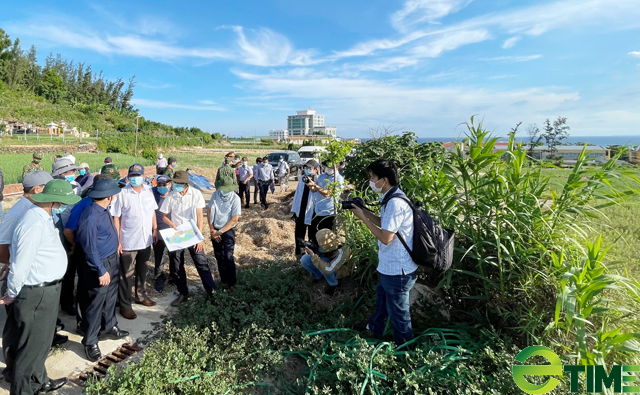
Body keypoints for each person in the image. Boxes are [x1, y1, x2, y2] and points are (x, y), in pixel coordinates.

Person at [0, 179, 81, 394]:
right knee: (31, 349)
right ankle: (24, 390)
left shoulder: (43, 217)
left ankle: (38, 381)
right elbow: (21, 263)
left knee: (41, 344)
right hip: (37, 293)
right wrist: (13, 292)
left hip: (46, 290)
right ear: (54, 200)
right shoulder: (33, 223)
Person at [348, 159, 417, 346]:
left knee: (399, 313)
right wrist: (363, 210)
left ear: (383, 180)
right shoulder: (390, 197)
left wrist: (363, 218)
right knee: (382, 297)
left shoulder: (395, 203)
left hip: (398, 270)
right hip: (390, 267)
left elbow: (386, 237)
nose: (371, 181)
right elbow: (384, 223)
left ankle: (406, 348)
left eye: (372, 177)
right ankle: (375, 328)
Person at [76, 178, 129, 362]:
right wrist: (100, 270)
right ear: (108, 197)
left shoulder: (103, 210)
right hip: (100, 265)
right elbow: (89, 248)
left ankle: (109, 327)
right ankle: (90, 341)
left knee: (110, 297)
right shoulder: (91, 216)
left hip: (112, 260)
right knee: (96, 303)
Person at [63, 174, 113, 335]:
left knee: (107, 295)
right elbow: (70, 231)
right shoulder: (87, 210)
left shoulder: (103, 209)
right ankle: (86, 330)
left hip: (107, 256)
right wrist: (75, 245)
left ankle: (108, 325)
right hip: (90, 255)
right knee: (89, 294)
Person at [160, 171, 216, 306]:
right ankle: (183, 293)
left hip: (192, 232)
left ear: (185, 184)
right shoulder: (171, 196)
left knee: (201, 262)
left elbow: (199, 217)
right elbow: (164, 216)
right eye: (174, 183)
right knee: (177, 264)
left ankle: (212, 293)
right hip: (177, 234)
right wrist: (171, 224)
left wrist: (200, 237)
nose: (175, 186)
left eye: (178, 183)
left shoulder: (195, 194)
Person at [112, 164, 158, 320]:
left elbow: (152, 211)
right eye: (132, 176)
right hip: (128, 241)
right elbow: (116, 217)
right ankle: (125, 305)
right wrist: (118, 240)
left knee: (142, 270)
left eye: (138, 175)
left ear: (143, 176)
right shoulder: (122, 193)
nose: (135, 178)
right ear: (128, 177)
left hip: (145, 239)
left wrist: (155, 229)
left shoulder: (148, 190)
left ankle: (140, 295)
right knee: (126, 275)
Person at [207, 176, 241, 288]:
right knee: (218, 256)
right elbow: (210, 211)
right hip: (215, 228)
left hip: (228, 229)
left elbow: (234, 219)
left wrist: (220, 232)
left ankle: (232, 283)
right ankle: (223, 280)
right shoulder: (215, 195)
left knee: (228, 256)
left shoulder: (235, 199)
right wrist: (212, 229)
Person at [300, 229, 352, 295]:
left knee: (323, 263)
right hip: (329, 259)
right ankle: (318, 276)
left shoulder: (344, 251)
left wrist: (313, 256)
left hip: (340, 268)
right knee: (305, 259)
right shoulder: (329, 242)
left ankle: (334, 284)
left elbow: (329, 269)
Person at [307, 161, 344, 244]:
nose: (327, 169)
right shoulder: (322, 176)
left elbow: (327, 193)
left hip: (329, 213)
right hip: (317, 211)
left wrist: (316, 186)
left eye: (330, 167)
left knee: (326, 239)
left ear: (336, 167)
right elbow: (314, 190)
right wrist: (310, 185)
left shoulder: (338, 179)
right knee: (314, 236)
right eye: (326, 167)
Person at [291, 160, 320, 259]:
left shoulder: (318, 180)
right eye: (306, 168)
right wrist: (295, 210)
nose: (307, 170)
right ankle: (300, 254)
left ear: (315, 170)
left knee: (313, 235)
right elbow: (297, 195)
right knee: (299, 234)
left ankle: (314, 255)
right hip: (301, 210)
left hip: (313, 212)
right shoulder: (302, 179)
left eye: (309, 168)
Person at [152, 175, 174, 292]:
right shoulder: (153, 195)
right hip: (159, 231)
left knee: (174, 256)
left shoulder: (175, 195)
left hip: (172, 231)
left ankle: (173, 276)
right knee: (159, 256)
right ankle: (159, 277)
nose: (161, 187)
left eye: (164, 185)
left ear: (169, 185)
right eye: (159, 185)